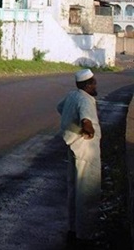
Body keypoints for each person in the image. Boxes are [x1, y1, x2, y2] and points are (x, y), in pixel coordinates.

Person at [57, 69, 101, 249]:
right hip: (85, 149)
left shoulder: (72, 95)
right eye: (94, 83)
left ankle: (73, 230)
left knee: (73, 189)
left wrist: (72, 123)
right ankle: (85, 236)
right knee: (87, 191)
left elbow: (59, 108)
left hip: (72, 145)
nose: (95, 86)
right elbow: (86, 120)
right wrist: (87, 130)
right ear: (87, 85)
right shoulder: (85, 99)